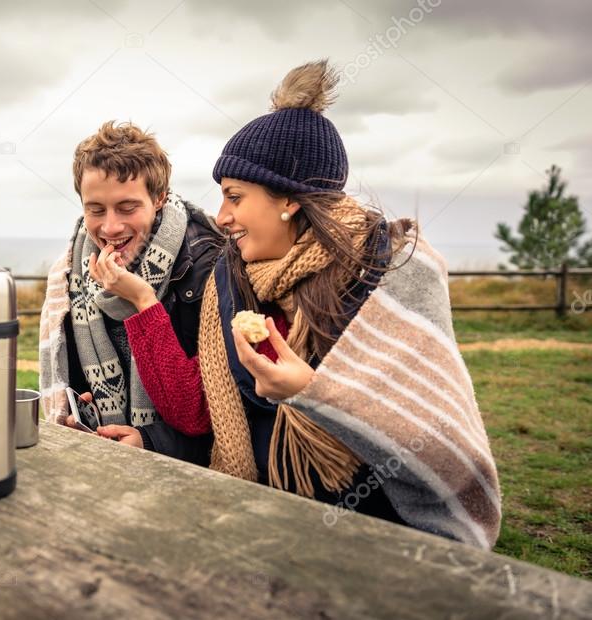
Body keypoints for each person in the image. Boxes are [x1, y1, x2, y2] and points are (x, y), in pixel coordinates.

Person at [91, 60, 501, 550]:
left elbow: (441, 448)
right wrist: (142, 306)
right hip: (263, 527)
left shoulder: (390, 273)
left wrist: (311, 392)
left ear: (288, 200)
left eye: (235, 197)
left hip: (376, 539)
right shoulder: (234, 278)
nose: (221, 216)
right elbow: (197, 410)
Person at [38, 121, 221, 464]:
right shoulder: (71, 271)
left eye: (127, 208)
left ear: (159, 198)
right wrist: (85, 413)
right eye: (95, 209)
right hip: (105, 461)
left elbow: (212, 412)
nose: (110, 227)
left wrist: (151, 441)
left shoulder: (206, 267)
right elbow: (75, 379)